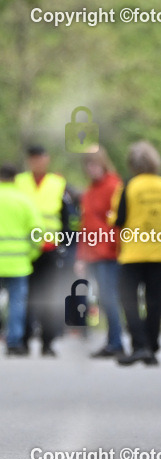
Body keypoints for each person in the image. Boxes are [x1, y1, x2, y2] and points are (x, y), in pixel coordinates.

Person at [112, 141, 161, 366]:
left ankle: (139, 344)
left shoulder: (130, 186)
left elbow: (119, 219)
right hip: (159, 252)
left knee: (128, 298)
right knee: (155, 300)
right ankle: (152, 345)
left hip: (133, 252)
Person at [15, 145, 75, 356]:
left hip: (50, 248)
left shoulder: (57, 184)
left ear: (47, 160)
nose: (37, 162)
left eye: (40, 158)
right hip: (25, 249)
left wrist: (65, 244)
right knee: (26, 296)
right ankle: (22, 340)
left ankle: (47, 342)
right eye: (33, 159)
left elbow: (67, 218)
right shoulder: (19, 182)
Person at [74, 147, 125, 358]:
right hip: (93, 253)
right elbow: (84, 226)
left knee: (110, 297)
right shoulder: (90, 191)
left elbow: (119, 224)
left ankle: (116, 342)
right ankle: (113, 341)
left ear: (103, 163)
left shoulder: (114, 186)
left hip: (109, 252)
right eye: (88, 165)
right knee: (104, 299)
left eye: (94, 164)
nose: (91, 169)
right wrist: (81, 257)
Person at [0, 163, 43, 357]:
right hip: (18, 263)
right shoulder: (24, 200)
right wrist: (31, 254)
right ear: (15, 178)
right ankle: (14, 343)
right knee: (17, 304)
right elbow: (37, 232)